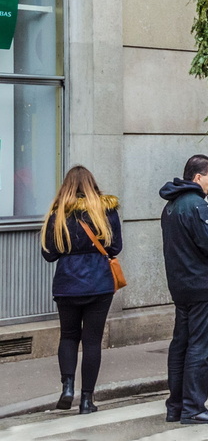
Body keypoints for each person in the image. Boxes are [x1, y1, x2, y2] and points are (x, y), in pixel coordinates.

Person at [159, 155, 208, 424]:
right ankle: (194, 408)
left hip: (181, 285)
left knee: (181, 345)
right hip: (203, 285)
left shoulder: (171, 206)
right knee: (199, 348)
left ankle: (176, 406)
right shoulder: (197, 206)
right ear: (197, 178)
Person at [41, 166, 123, 414]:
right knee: (92, 342)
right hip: (99, 284)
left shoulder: (58, 215)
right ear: (92, 184)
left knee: (68, 336)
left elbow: (49, 254)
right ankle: (87, 400)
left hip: (67, 285)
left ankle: (67, 387)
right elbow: (115, 248)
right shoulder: (106, 211)